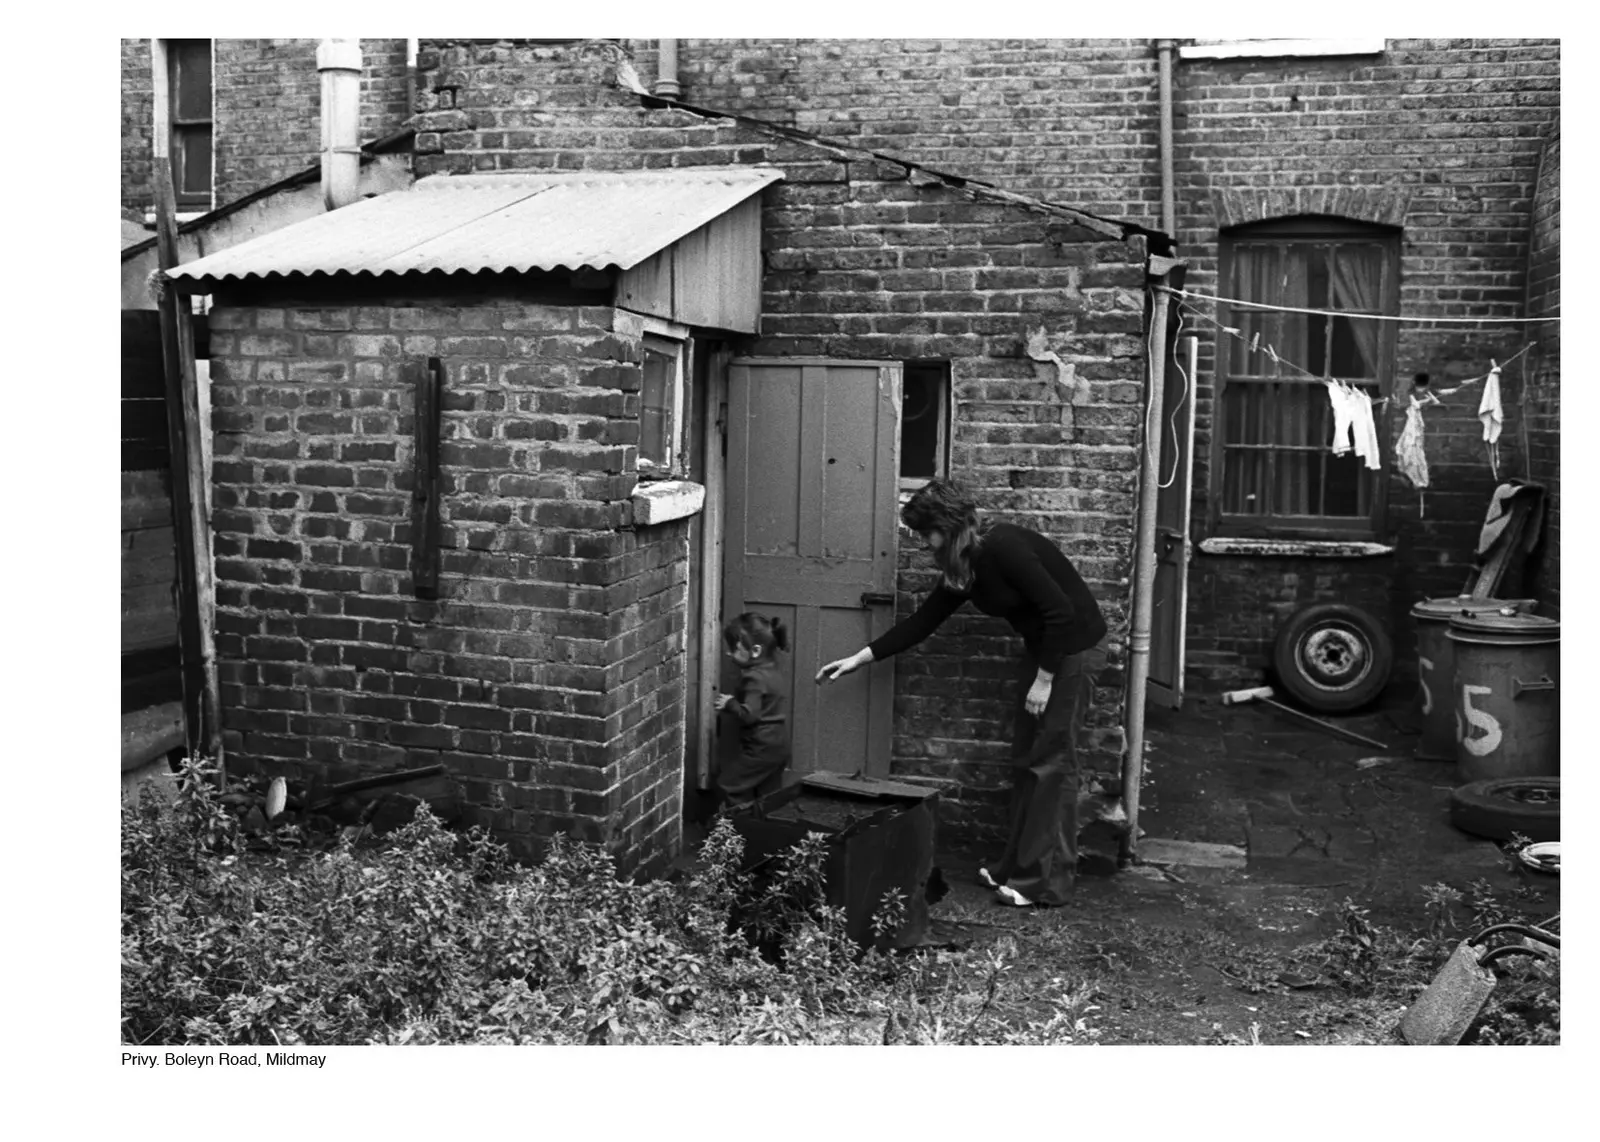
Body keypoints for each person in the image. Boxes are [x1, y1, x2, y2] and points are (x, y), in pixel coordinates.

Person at [815, 479, 1108, 907]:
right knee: (1027, 761)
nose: (922, 542)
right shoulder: (964, 564)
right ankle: (1016, 867)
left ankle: (1044, 884)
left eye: (926, 532)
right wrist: (859, 658)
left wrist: (1044, 679)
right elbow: (924, 620)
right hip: (1046, 650)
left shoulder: (1004, 547)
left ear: (949, 526)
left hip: (1073, 649)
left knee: (1052, 765)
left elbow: (1061, 612)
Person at [714, 613, 793, 807]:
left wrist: (730, 703)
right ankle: (765, 823)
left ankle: (734, 823)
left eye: (734, 648)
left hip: (761, 747)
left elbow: (750, 715)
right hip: (778, 744)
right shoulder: (772, 670)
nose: (729, 653)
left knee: (729, 785)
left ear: (755, 650)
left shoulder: (754, 678)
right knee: (768, 795)